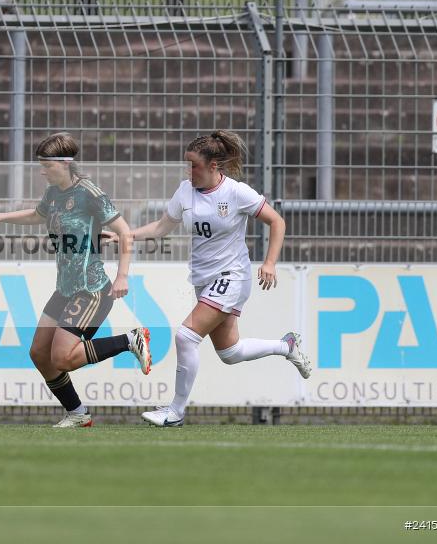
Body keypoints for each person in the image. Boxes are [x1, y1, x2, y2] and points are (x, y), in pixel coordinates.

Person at [124, 130, 311, 427]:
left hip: (232, 277)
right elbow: (161, 227)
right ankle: (286, 346)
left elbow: (277, 221)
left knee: (186, 337)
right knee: (230, 352)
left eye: (194, 165)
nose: (189, 171)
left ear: (214, 166)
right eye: (188, 165)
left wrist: (270, 262)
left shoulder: (236, 192)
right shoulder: (185, 191)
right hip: (204, 279)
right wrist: (127, 235)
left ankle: (176, 412)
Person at [0, 132, 151, 428]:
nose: (42, 171)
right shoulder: (54, 193)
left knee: (62, 357)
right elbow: (37, 214)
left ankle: (129, 340)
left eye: (46, 165)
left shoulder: (90, 193)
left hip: (92, 290)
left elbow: (125, 232)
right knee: (39, 354)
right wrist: (1, 217)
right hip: (65, 290)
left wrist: (122, 276)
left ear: (64, 163)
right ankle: (78, 414)